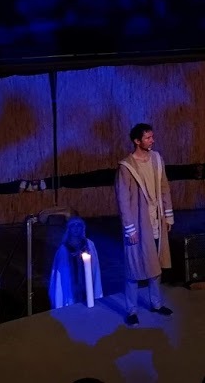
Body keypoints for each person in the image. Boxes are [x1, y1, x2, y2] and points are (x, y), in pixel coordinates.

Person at [115, 122, 175, 327]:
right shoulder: (126, 167)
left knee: (155, 263)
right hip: (138, 223)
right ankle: (131, 310)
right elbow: (123, 200)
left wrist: (168, 216)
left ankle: (156, 304)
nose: (152, 140)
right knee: (134, 267)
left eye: (152, 137)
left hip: (156, 220)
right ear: (137, 141)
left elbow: (164, 188)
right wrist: (129, 228)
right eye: (148, 138)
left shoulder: (157, 159)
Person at [47, 216, 103, 308]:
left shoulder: (89, 244)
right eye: (73, 225)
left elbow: (95, 266)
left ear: (83, 228)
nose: (76, 228)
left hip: (86, 284)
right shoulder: (64, 248)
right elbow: (60, 271)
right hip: (71, 286)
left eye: (79, 225)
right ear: (69, 229)